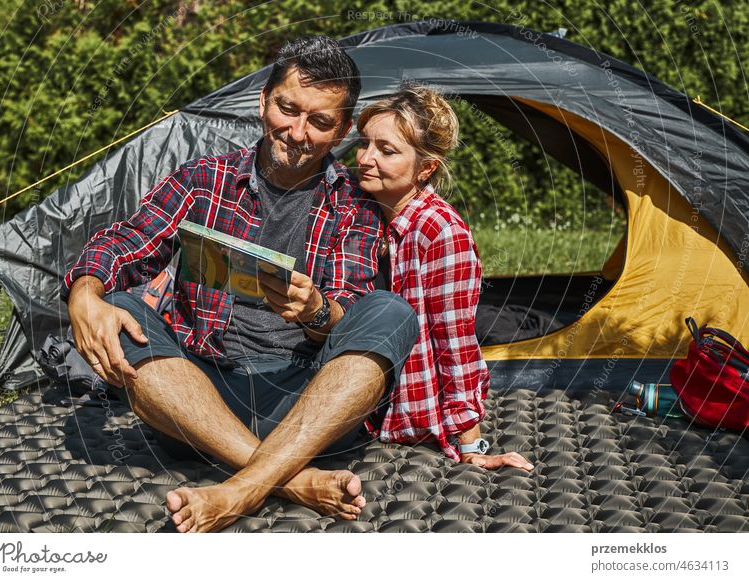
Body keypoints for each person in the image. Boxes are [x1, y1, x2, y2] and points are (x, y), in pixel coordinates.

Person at [62, 36, 418, 533]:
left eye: (319, 122)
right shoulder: (204, 180)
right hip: (195, 397)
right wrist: (84, 293)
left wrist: (317, 311)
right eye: (287, 109)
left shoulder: (355, 204)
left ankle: (239, 489)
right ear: (263, 101)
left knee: (391, 312)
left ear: (340, 131)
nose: (296, 132)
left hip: (305, 401)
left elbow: (350, 308)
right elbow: (128, 241)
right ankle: (289, 480)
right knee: (119, 305)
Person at [355, 85, 534, 471]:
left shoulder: (441, 233)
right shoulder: (360, 210)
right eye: (364, 143)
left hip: (410, 421)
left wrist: (472, 444)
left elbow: (455, 343)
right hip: (366, 413)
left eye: (386, 151)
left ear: (426, 168)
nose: (366, 159)